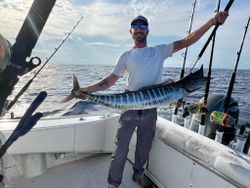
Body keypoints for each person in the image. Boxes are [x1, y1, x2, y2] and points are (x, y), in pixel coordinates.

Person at [76, 12, 228, 188]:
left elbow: (187, 41)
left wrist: (212, 21)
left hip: (150, 109)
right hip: (129, 105)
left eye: (143, 26)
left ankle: (138, 175)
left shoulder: (159, 51)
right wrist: (86, 91)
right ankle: (113, 182)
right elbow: (109, 81)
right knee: (121, 148)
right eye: (136, 26)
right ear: (130, 31)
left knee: (144, 146)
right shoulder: (126, 56)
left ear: (147, 31)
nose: (139, 29)